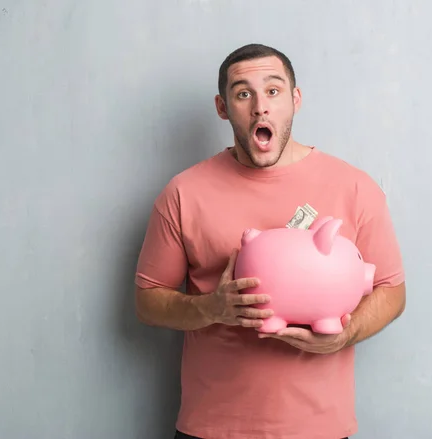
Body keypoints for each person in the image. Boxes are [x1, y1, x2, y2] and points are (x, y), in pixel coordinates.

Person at [134, 43, 406, 439]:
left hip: (319, 429)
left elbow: (392, 291)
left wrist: (344, 336)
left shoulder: (354, 187)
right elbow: (147, 301)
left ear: (295, 100)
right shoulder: (184, 193)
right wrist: (210, 309)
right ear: (223, 107)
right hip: (211, 428)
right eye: (243, 93)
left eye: (274, 91)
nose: (260, 106)